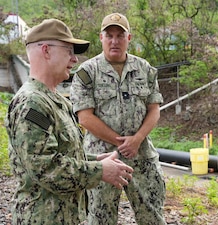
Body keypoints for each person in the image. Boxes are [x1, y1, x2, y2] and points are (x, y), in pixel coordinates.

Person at [5, 18, 134, 225]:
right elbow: (46, 169)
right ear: (46, 51)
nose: (74, 60)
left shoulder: (53, 99)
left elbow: (60, 152)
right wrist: (100, 171)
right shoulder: (32, 103)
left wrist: (95, 159)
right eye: (68, 51)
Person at [70, 13, 166, 224]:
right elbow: (85, 117)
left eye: (120, 35)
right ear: (101, 38)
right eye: (109, 35)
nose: (115, 41)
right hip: (101, 158)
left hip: (141, 156)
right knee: (100, 217)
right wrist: (121, 143)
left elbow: (154, 109)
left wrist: (137, 139)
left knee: (152, 214)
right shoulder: (87, 73)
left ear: (129, 38)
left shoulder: (145, 69)